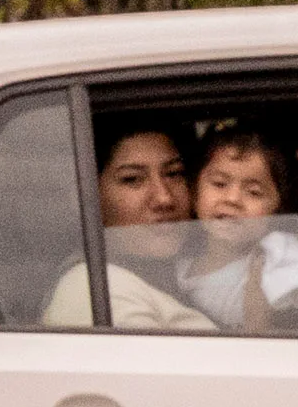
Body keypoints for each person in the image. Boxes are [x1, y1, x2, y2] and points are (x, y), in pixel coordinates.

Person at [172, 109, 298, 331]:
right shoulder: (182, 269)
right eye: (219, 184)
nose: (233, 199)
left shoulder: (278, 251)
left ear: (277, 209)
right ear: (194, 193)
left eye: (254, 192)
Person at [40, 118, 218, 328]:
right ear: (89, 196)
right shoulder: (95, 292)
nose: (164, 198)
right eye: (132, 179)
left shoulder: (187, 276)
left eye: (174, 173)